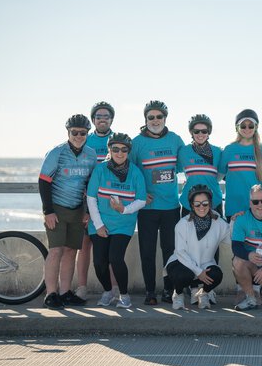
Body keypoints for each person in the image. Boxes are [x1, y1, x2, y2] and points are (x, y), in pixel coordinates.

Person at [39, 114, 97, 309]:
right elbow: (44, 181)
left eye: (83, 133)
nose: (79, 136)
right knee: (56, 251)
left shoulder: (90, 154)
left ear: (87, 133)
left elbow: (91, 184)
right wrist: (48, 211)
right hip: (56, 208)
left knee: (72, 251)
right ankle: (51, 294)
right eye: (75, 132)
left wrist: (88, 211)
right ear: (68, 132)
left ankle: (65, 292)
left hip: (77, 210)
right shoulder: (56, 152)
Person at [130, 100, 185, 305]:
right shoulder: (137, 142)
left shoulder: (175, 140)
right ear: (145, 119)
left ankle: (168, 289)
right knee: (147, 251)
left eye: (159, 117)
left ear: (165, 118)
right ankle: (150, 291)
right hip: (147, 209)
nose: (155, 120)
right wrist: (140, 193)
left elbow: (182, 166)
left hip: (171, 206)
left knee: (170, 251)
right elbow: (131, 173)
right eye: (151, 117)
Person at [87, 133, 146, 309]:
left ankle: (124, 294)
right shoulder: (100, 169)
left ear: (128, 151)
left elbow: (141, 200)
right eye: (115, 149)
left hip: (123, 224)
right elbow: (91, 198)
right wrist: (98, 225)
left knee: (115, 257)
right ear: (110, 150)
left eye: (123, 150)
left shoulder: (135, 172)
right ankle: (107, 291)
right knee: (99, 261)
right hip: (100, 223)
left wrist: (124, 209)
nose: (119, 153)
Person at [218, 109, 262, 305]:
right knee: (238, 251)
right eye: (243, 125)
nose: (247, 129)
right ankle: (242, 289)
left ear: (255, 128)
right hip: (234, 208)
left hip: (257, 208)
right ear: (237, 127)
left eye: (251, 125)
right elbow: (218, 176)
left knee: (258, 249)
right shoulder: (229, 150)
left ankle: (255, 290)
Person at [75, 101, 117, 301]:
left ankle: (114, 288)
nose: (102, 119)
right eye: (98, 116)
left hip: (110, 201)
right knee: (84, 246)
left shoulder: (117, 140)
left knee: (110, 247)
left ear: (111, 120)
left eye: (106, 116)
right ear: (93, 120)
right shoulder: (85, 140)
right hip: (86, 199)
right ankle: (82, 288)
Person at [165, 185, 230, 310]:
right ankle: (178, 294)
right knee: (184, 275)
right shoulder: (183, 224)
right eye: (197, 204)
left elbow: (231, 239)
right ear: (192, 205)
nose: (201, 207)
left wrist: (234, 222)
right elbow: (180, 252)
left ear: (210, 204)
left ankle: (203, 293)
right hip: (181, 263)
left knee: (217, 274)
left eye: (205, 204)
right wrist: (198, 272)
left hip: (205, 264)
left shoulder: (219, 223)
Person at [178, 114, 223, 217]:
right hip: (189, 202)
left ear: (208, 132)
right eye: (196, 131)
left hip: (213, 201)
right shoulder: (183, 151)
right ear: (191, 133)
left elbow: (222, 174)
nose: (200, 134)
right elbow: (173, 169)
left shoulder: (218, 152)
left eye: (204, 131)